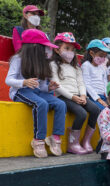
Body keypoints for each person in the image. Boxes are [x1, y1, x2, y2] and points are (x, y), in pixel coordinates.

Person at [6, 29, 66, 158]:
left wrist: (49, 88)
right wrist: (24, 82)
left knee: (60, 104)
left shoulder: (43, 62)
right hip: (21, 91)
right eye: (44, 47)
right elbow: (8, 80)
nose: (47, 50)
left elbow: (42, 87)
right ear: (34, 47)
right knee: (41, 104)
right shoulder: (18, 59)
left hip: (38, 92)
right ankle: (38, 140)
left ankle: (55, 137)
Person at [51, 32, 100, 155]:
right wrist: (73, 97)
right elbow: (57, 86)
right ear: (57, 50)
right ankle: (73, 144)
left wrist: (83, 95)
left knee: (95, 110)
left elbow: (81, 83)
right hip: (64, 97)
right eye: (66, 48)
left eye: (72, 50)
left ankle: (86, 141)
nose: (70, 52)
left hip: (78, 95)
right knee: (81, 113)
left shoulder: (76, 67)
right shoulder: (53, 65)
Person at [81, 39, 110, 110]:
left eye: (105, 56)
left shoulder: (102, 68)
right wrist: (98, 99)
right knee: (104, 111)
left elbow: (105, 83)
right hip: (92, 96)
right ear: (92, 53)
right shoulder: (86, 65)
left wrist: (108, 96)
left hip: (103, 96)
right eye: (101, 55)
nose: (103, 59)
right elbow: (87, 84)